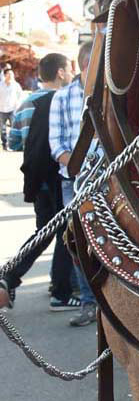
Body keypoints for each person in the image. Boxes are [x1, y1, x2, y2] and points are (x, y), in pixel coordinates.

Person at [0, 53, 77, 311]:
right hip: (56, 178)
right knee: (63, 231)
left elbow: (15, 141)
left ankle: (54, 285)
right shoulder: (62, 100)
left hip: (35, 180)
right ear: (60, 73)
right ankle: (59, 292)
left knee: (47, 231)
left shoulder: (24, 103)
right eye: (68, 68)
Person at [49, 42, 97, 327]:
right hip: (74, 182)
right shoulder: (62, 98)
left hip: (109, 180)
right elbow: (56, 145)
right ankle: (90, 303)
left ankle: (114, 302)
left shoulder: (109, 94)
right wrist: (79, 165)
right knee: (80, 242)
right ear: (82, 66)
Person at [0, 64, 23, 149]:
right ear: (5, 75)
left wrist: (17, 104)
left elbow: (20, 95)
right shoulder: (1, 85)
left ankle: (13, 144)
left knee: (14, 128)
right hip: (2, 109)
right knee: (2, 129)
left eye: (12, 74)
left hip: (12, 109)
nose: (11, 76)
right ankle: (4, 144)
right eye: (9, 74)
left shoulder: (15, 85)